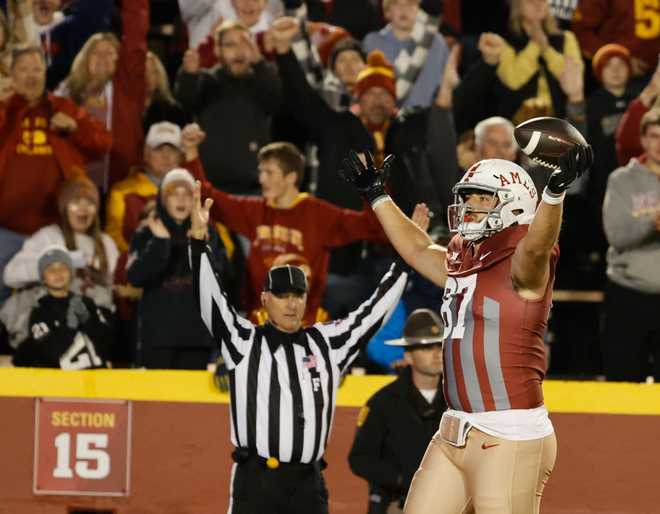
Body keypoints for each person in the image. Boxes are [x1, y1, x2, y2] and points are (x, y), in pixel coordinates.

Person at [339, 141, 592, 513]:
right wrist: (377, 195)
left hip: (509, 432)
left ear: (513, 204)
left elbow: (537, 249)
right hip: (455, 426)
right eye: (468, 197)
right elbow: (418, 250)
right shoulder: (466, 255)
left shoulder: (523, 260)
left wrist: (553, 193)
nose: (470, 207)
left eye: (483, 198)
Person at [190, 180, 408, 514]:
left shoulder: (327, 343)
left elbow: (373, 313)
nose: (291, 304)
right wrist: (198, 243)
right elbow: (211, 300)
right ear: (265, 299)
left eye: (298, 296)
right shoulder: (243, 340)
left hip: (307, 484)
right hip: (256, 481)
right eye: (282, 296)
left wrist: (407, 258)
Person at [191, 139, 388, 326]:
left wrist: (371, 186)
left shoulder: (319, 215)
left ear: (291, 177)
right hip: (260, 324)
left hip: (304, 325)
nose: (261, 179)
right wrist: (191, 154)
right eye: (261, 172)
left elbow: (373, 227)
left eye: (269, 172)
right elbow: (208, 198)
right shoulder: (255, 211)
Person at [127, 169, 231, 369]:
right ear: (163, 199)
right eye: (175, 193)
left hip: (198, 341)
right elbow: (135, 277)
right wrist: (159, 243)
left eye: (187, 194)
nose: (181, 199)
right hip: (156, 341)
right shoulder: (147, 231)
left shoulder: (208, 231)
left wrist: (200, 243)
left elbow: (221, 279)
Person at [349, 308, 446, 514]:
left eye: (440, 345)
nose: (437, 352)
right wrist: (402, 479)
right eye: (427, 346)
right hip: (396, 503)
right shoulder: (383, 403)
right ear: (408, 356)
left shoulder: (457, 401)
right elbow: (360, 459)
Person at [175, 20, 283, 195]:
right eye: (230, 45)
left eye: (245, 43)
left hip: (254, 188)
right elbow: (185, 99)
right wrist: (188, 74)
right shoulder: (206, 81)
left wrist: (259, 63)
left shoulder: (262, 80)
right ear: (217, 50)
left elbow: (276, 100)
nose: (239, 51)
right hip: (211, 187)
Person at [55, 0, 150, 190]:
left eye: (110, 53)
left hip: (118, 185)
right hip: (75, 189)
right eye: (96, 53)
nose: (102, 58)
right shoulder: (64, 94)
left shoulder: (127, 92)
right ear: (84, 59)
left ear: (119, 62)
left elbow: (135, 43)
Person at [601, 108, 660, 382]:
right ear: (644, 140)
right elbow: (617, 236)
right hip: (629, 296)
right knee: (622, 383)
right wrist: (652, 223)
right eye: (655, 136)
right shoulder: (622, 180)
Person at [12, 245, 112, 369]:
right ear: (43, 277)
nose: (58, 273)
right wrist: (70, 325)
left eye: (63, 268)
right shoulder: (40, 312)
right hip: (63, 385)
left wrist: (90, 322)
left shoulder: (86, 302)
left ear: (71, 272)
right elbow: (50, 354)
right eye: (51, 269)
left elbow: (108, 345)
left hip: (96, 381)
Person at [363, 0, 448, 109]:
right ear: (387, 12)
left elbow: (445, 84)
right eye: (396, 3)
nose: (404, 9)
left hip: (428, 119)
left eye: (411, 3)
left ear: (420, 11)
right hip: (388, 119)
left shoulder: (436, 42)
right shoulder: (372, 42)